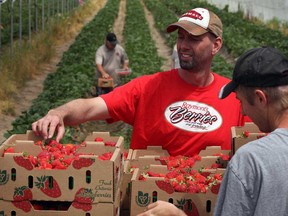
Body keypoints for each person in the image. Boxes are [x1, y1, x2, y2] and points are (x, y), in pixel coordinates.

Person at [32, 7, 248, 157]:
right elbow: (91, 107)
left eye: (193, 38)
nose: (183, 45)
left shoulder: (235, 96)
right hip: (149, 201)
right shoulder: (148, 87)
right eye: (181, 37)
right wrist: (58, 113)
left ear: (216, 45)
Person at [137, 47, 288, 216]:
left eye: (241, 101)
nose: (243, 112)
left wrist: (177, 214)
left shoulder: (251, 160)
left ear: (260, 98)